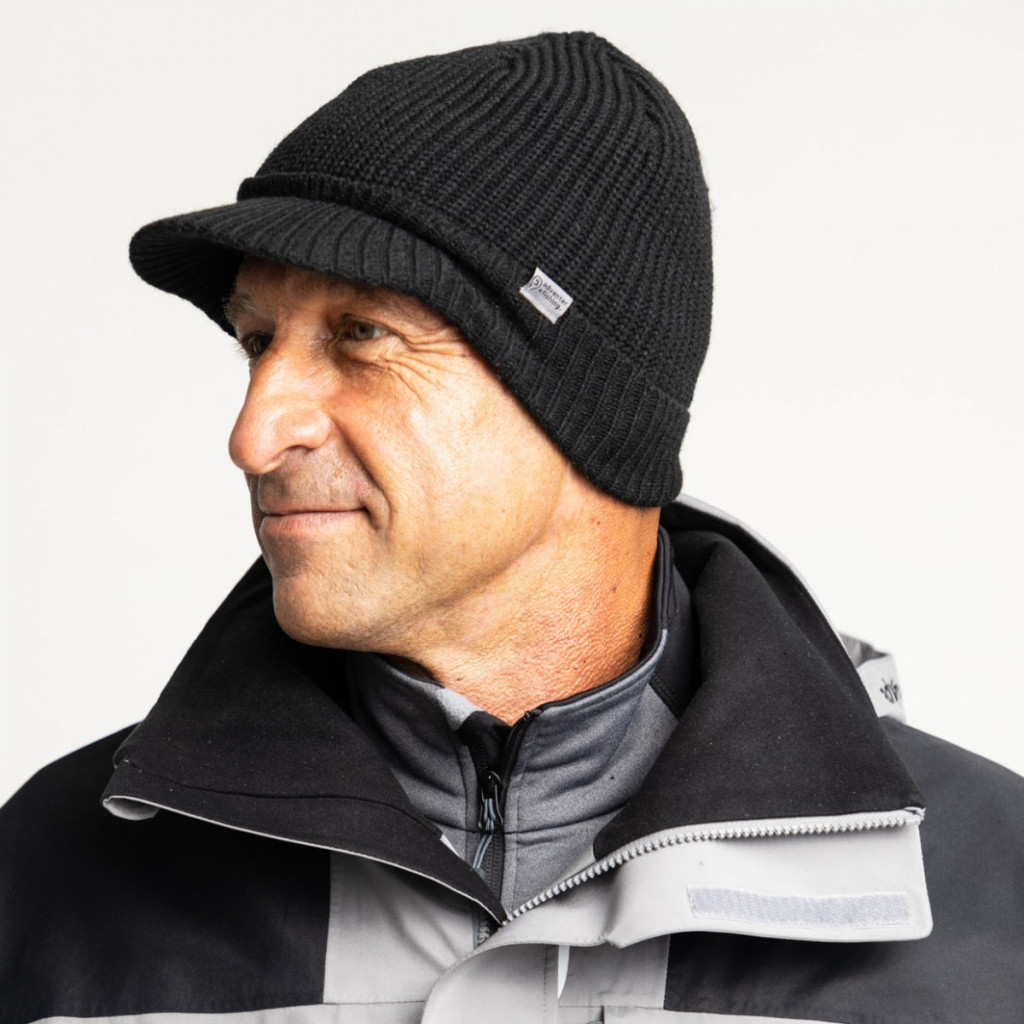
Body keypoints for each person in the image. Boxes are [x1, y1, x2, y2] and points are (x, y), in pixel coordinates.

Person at [1, 31, 1021, 1024]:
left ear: (589, 403)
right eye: (257, 341)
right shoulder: (50, 876)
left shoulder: (991, 897)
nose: (253, 434)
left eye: (363, 334)